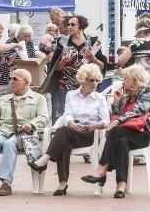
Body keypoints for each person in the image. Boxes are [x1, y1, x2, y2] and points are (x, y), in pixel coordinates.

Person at [28, 64, 109, 195]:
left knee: (63, 131)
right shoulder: (71, 95)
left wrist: (97, 125)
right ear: (83, 81)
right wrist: (71, 123)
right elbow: (67, 114)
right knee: (64, 141)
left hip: (90, 134)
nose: (95, 83)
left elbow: (106, 121)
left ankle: (45, 159)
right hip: (73, 131)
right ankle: (62, 183)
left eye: (96, 80)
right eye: (91, 80)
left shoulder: (100, 98)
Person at [0, 69, 49, 196]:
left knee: (9, 144)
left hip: (23, 134)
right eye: (11, 79)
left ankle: (6, 182)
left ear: (26, 82)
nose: (11, 82)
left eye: (15, 79)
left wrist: (31, 124)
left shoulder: (38, 99)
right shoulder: (3, 99)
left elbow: (44, 118)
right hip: (3, 131)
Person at [81, 65, 150, 198]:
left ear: (134, 81)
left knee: (116, 131)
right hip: (124, 134)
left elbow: (139, 110)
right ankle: (121, 185)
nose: (123, 82)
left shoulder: (147, 92)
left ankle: (102, 169)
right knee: (122, 141)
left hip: (143, 135)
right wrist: (116, 103)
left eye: (125, 78)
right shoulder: (125, 97)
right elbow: (117, 116)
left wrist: (116, 123)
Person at [54, 15, 107, 119]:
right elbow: (55, 68)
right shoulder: (62, 42)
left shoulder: (92, 42)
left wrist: (93, 59)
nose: (69, 26)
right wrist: (63, 61)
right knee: (66, 115)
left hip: (87, 85)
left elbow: (102, 66)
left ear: (81, 27)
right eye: (68, 24)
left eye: (73, 24)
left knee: (88, 115)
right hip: (66, 86)